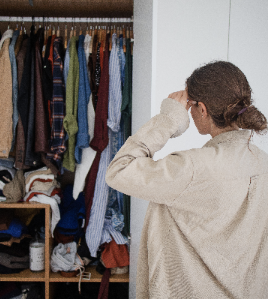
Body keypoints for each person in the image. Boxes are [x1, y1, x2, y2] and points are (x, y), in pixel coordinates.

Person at [105, 61, 268, 299]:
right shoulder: (263, 164)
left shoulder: (191, 168)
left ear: (202, 109)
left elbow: (119, 169)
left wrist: (168, 119)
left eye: (190, 106)